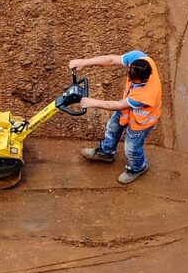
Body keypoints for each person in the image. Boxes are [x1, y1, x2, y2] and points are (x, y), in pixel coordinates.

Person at [68, 50, 163, 185]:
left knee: (132, 148)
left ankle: (138, 168)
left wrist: (93, 102)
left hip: (141, 122)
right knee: (112, 128)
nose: (129, 80)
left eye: (133, 80)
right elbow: (112, 60)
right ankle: (106, 152)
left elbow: (118, 105)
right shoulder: (138, 58)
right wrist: (84, 62)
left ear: (144, 79)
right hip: (127, 111)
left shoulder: (144, 95)